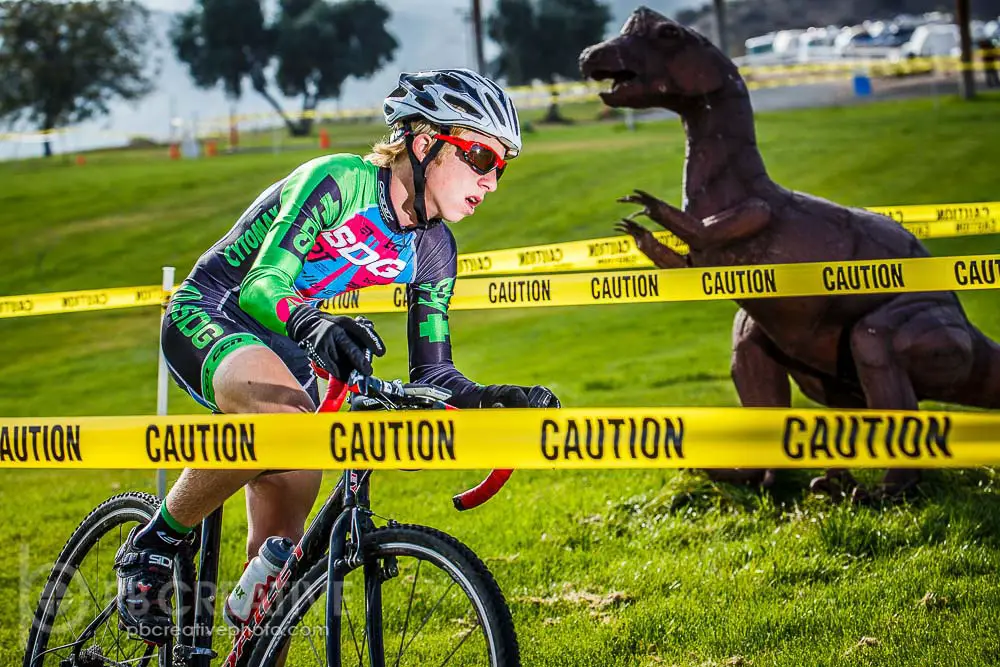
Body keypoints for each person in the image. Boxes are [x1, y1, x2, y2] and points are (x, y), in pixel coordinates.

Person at [114, 68, 561, 642]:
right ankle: (153, 544)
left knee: (274, 588)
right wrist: (313, 322)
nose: (492, 179)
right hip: (215, 312)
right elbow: (261, 285)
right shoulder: (338, 181)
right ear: (424, 143)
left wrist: (488, 398)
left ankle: (245, 643)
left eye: (502, 166)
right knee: (283, 424)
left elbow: (434, 371)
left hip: (292, 344)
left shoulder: (435, 249)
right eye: (480, 156)